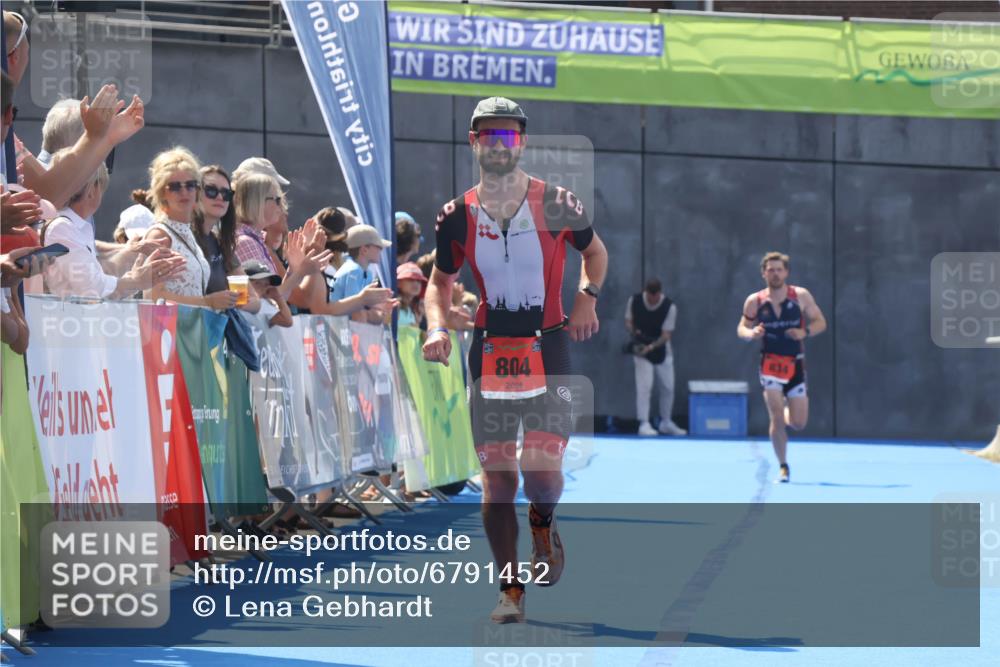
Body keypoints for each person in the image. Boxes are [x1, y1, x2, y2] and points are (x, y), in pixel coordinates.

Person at [422, 96, 608, 624]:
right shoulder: (455, 216)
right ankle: (510, 589)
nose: (499, 145)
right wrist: (436, 325)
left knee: (539, 471)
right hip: (489, 350)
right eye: (489, 136)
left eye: (508, 136)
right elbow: (441, 282)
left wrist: (586, 297)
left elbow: (596, 252)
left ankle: (544, 519)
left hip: (548, 346)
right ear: (473, 142)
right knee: (497, 477)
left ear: (520, 142)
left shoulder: (557, 202)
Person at [42, 150, 184, 300]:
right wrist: (136, 280)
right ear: (91, 191)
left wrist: (135, 276)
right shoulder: (62, 228)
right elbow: (93, 290)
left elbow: (97, 288)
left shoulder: (71, 227)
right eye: (101, 186)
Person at [737, 251, 827, 483]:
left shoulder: (800, 296)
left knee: (798, 423)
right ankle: (783, 466)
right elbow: (742, 327)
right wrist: (751, 333)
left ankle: (789, 409)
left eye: (779, 269)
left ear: (786, 272)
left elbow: (820, 322)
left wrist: (804, 332)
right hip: (770, 364)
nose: (775, 274)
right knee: (775, 417)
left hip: (795, 363)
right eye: (770, 270)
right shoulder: (755, 301)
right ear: (763, 273)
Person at [142, 147, 239, 309]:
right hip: (169, 331)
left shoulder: (187, 234)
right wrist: (208, 302)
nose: (184, 192)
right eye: (174, 186)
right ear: (161, 193)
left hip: (192, 329)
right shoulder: (160, 235)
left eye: (190, 185)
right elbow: (153, 296)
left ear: (197, 190)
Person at [192, 164, 259, 312]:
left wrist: (228, 303)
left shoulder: (220, 243)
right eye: (211, 190)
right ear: (195, 194)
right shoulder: (182, 239)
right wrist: (210, 302)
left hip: (214, 331)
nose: (220, 197)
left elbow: (255, 302)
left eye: (226, 193)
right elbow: (158, 297)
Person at [626, 279, 686, 436]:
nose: (653, 299)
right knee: (644, 387)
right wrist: (635, 334)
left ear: (660, 292)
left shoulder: (669, 307)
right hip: (641, 349)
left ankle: (666, 422)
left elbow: (666, 335)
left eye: (656, 295)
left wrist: (651, 347)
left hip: (662, 351)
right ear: (646, 292)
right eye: (650, 295)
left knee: (668, 387)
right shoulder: (635, 300)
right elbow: (628, 321)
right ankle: (644, 424)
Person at [330, 224, 398, 324]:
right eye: (378, 246)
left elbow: (364, 310)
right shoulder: (354, 270)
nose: (381, 249)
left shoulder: (364, 272)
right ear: (364, 250)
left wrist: (379, 308)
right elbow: (356, 312)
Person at [244, 260, 292, 328]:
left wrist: (278, 297)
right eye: (257, 283)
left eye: (266, 284)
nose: (262, 288)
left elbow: (287, 321)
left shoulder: (263, 303)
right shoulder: (236, 300)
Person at [396, 261, 427, 328]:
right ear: (398, 282)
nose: (416, 283)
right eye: (411, 279)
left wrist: (418, 322)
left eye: (419, 281)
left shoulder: (416, 311)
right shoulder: (393, 305)